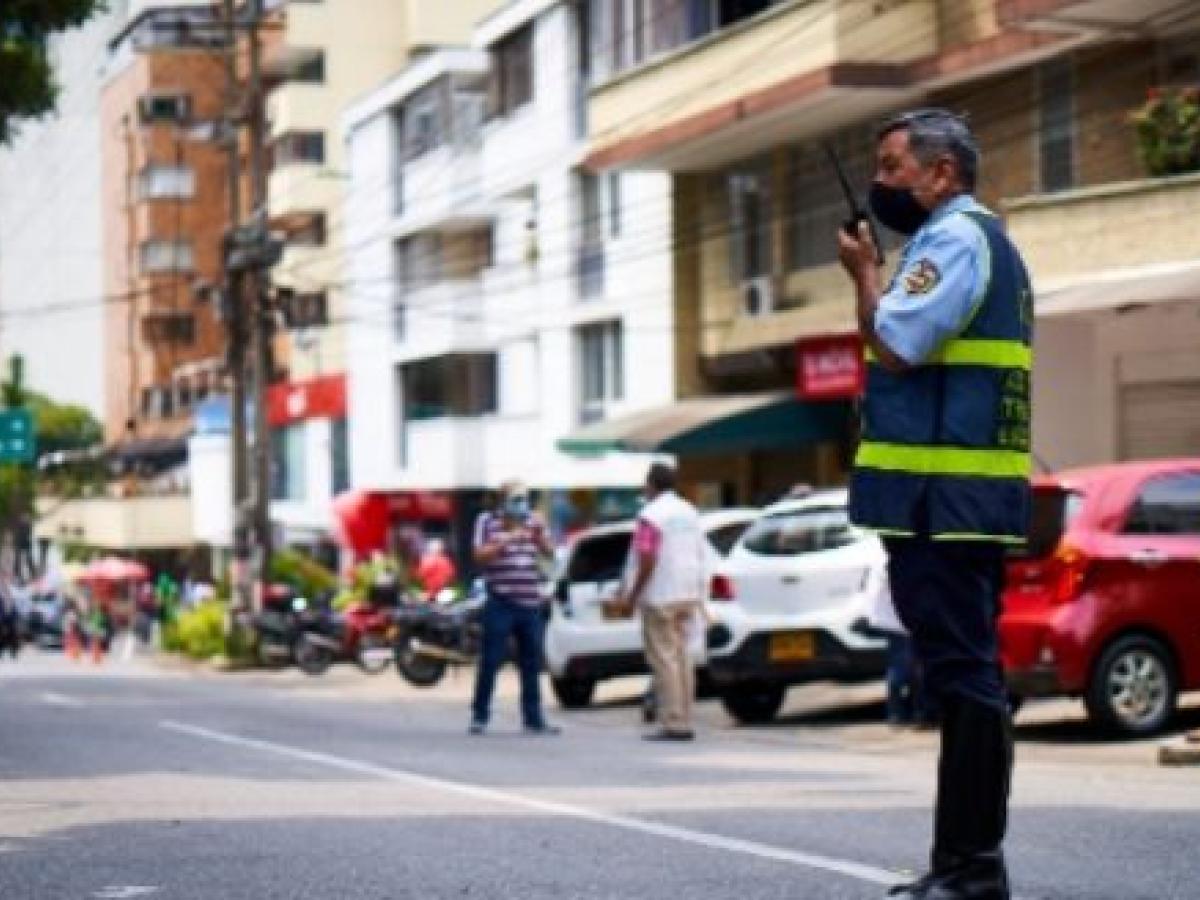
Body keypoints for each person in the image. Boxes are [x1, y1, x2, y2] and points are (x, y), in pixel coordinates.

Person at [837, 109, 1032, 900]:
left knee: (965, 679)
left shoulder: (954, 240)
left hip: (945, 504)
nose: (881, 183)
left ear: (941, 172)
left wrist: (862, 276)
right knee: (962, 678)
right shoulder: (960, 242)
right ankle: (964, 865)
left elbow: (897, 344)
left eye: (892, 167)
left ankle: (973, 869)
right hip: (946, 503)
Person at [613, 463, 709, 742]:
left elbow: (646, 558)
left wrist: (632, 596)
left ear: (651, 484)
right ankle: (686, 717)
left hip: (661, 595)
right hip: (687, 592)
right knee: (682, 657)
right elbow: (701, 552)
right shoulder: (689, 512)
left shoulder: (651, 515)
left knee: (664, 659)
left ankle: (673, 722)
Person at [470, 481, 559, 736]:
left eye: (525, 499)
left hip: (530, 601)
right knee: (491, 659)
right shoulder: (486, 522)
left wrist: (541, 536)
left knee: (531, 662)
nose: (522, 504)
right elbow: (479, 555)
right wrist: (507, 538)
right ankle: (480, 714)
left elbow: (550, 553)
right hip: (501, 600)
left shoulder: (533, 523)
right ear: (503, 501)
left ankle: (533, 718)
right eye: (516, 499)